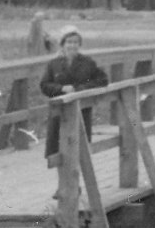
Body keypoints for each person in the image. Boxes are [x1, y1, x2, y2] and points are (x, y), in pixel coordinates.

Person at [40, 25, 110, 159]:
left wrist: (82, 88)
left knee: (80, 151)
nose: (72, 45)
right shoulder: (53, 64)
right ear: (63, 44)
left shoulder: (88, 62)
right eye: (69, 42)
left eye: (76, 42)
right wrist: (61, 89)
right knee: (57, 150)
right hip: (59, 111)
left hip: (81, 109)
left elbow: (103, 80)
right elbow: (44, 85)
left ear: (80, 44)